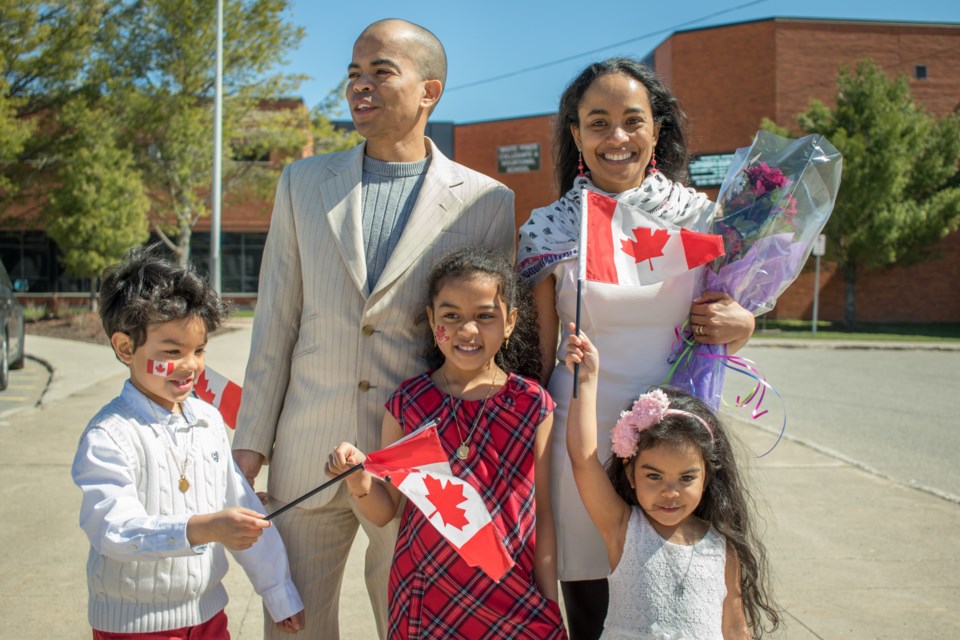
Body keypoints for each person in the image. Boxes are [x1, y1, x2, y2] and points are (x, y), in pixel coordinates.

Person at [231, 19, 515, 640]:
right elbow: (275, 323)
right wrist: (249, 444)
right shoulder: (303, 183)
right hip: (306, 451)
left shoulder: (486, 201)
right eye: (353, 75)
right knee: (293, 627)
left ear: (429, 91)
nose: (361, 86)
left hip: (417, 460)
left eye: (381, 71)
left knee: (412, 626)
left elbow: (487, 343)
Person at [517, 58, 756, 639]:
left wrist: (742, 322)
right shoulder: (548, 228)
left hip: (674, 441)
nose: (616, 138)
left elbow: (720, 318)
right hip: (582, 436)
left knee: (677, 597)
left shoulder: (702, 219)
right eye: (597, 123)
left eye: (632, 121)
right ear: (575, 134)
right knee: (592, 598)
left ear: (656, 129)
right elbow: (540, 357)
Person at [326, 247, 567, 640]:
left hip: (511, 588)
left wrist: (548, 600)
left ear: (510, 322)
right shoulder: (409, 403)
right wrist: (358, 481)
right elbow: (387, 510)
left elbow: (542, 512)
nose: (467, 331)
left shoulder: (532, 403)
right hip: (426, 593)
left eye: (485, 316)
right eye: (451, 316)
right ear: (431, 320)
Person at [71, 246, 305, 638]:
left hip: (209, 616)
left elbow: (242, 507)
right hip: (135, 626)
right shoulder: (109, 435)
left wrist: (278, 592)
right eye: (172, 352)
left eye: (199, 350)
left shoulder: (207, 420)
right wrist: (206, 527)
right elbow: (114, 529)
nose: (191, 365)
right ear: (125, 348)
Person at [564, 327, 780, 639]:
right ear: (630, 474)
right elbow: (583, 460)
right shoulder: (624, 528)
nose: (670, 491)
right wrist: (586, 379)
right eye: (654, 476)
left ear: (707, 476)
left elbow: (735, 626)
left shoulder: (723, 547)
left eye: (686, 478)